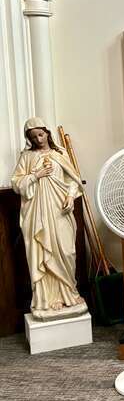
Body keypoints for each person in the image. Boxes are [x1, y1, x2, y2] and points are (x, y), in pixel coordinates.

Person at [11, 117, 86, 320]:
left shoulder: (59, 153)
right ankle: (49, 298)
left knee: (66, 251)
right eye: (34, 137)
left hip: (60, 210)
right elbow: (17, 183)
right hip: (38, 214)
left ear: (47, 133)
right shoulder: (26, 157)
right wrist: (36, 175)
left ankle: (69, 292)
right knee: (44, 252)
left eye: (41, 134)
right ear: (30, 139)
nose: (39, 139)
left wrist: (70, 196)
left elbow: (73, 179)